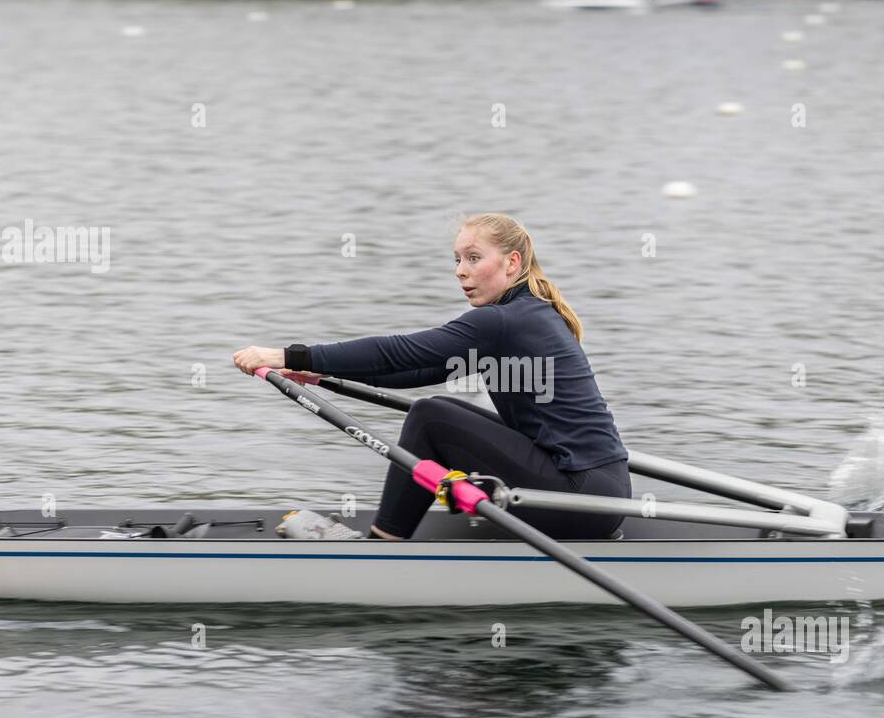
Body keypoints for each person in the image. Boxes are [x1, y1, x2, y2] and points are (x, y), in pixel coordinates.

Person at [233, 213, 632, 541]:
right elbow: (418, 369)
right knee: (435, 411)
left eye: (474, 258)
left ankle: (381, 547)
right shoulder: (526, 314)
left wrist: (287, 353)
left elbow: (399, 351)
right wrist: (317, 371)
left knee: (431, 417)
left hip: (581, 501)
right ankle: (390, 537)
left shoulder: (506, 320)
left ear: (512, 263)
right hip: (598, 496)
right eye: (457, 260)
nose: (461, 271)